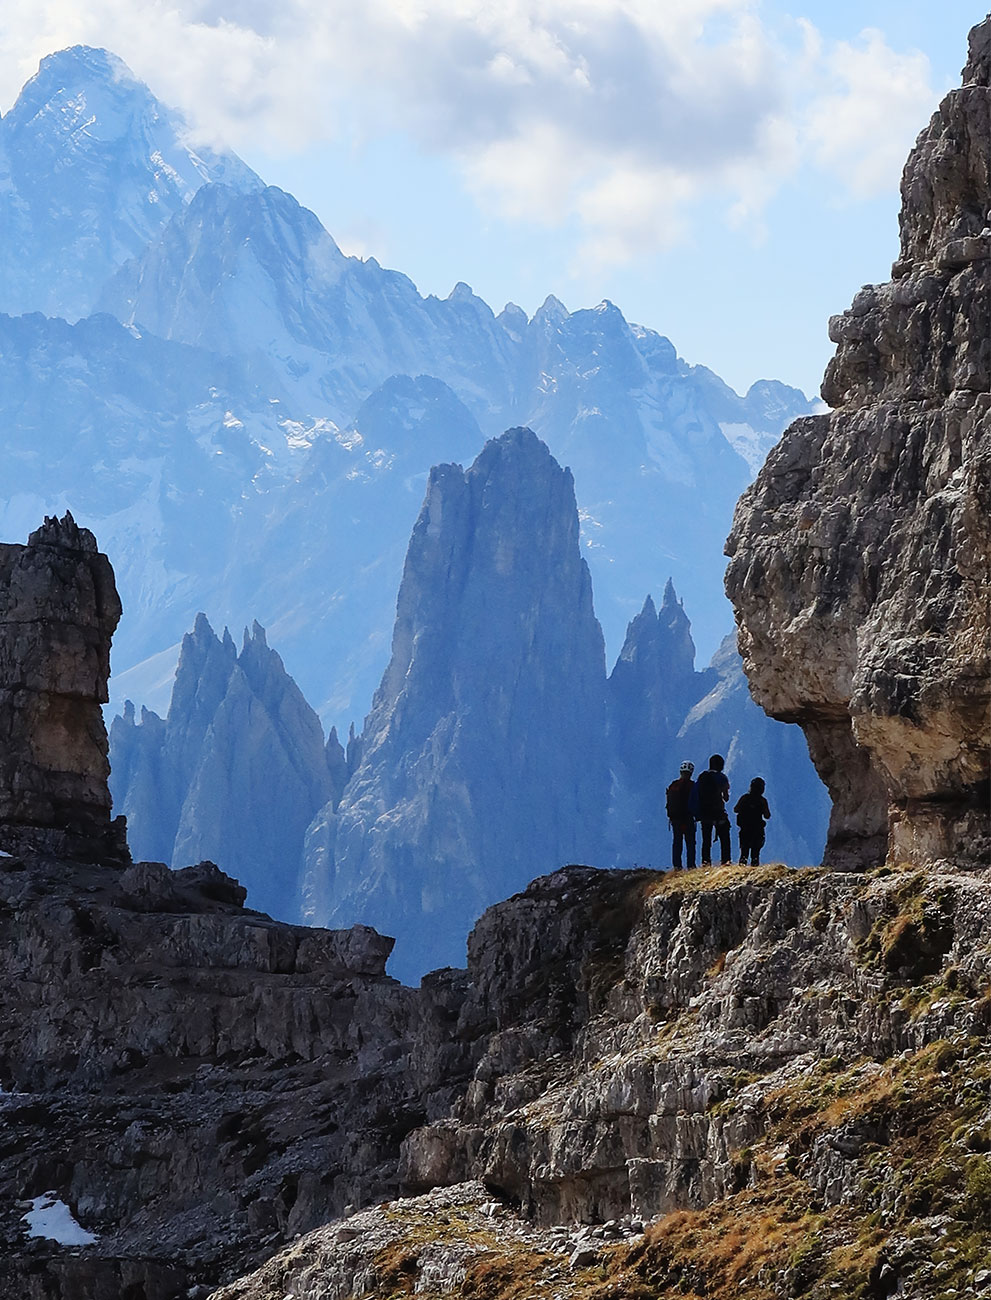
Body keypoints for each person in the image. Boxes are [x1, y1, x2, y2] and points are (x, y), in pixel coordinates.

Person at [696, 753, 731, 865]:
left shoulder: (702, 777)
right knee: (724, 838)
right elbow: (726, 798)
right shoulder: (722, 777)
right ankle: (725, 861)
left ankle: (706, 862)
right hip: (718, 812)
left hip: (704, 813)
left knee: (706, 840)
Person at [665, 760, 698, 870]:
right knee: (690, 843)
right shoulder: (693, 786)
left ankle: (677, 866)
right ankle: (691, 866)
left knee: (677, 842)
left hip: (675, 819)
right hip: (688, 818)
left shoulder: (673, 785)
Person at [734, 777, 771, 866]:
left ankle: (741, 871)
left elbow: (736, 809)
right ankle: (754, 871)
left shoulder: (745, 798)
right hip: (757, 830)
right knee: (755, 854)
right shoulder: (762, 801)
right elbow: (767, 815)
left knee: (744, 852)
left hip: (745, 829)